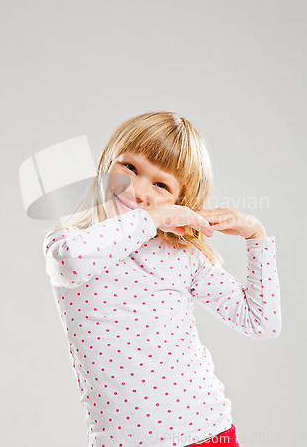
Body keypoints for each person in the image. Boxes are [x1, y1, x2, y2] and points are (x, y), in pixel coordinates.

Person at [42, 111, 281, 447]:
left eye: (160, 185)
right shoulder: (70, 243)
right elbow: (69, 265)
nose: (138, 190)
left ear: (179, 203)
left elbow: (262, 324)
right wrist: (151, 217)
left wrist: (256, 237)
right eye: (129, 167)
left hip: (205, 432)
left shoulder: (182, 257)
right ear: (105, 163)